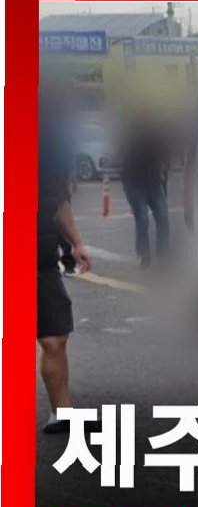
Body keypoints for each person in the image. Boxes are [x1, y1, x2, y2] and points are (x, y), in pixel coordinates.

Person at [37, 86, 93, 434]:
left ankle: (63, 413)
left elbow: (57, 202)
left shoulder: (48, 153)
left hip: (39, 260)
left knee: (55, 338)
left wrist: (77, 243)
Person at [118, 111, 172, 269]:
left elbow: (164, 155)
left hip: (153, 181)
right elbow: (124, 159)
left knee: (162, 216)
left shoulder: (156, 133)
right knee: (142, 219)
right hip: (134, 183)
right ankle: (144, 255)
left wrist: (163, 174)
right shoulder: (128, 134)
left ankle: (163, 255)